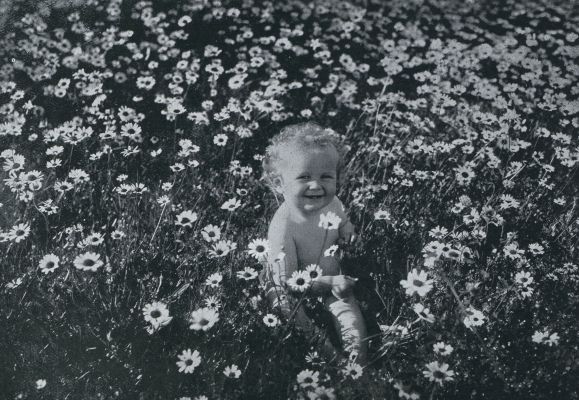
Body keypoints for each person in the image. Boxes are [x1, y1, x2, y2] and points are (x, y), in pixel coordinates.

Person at [260, 122, 367, 364]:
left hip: (332, 282)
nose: (316, 185)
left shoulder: (333, 203)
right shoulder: (283, 225)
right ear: (279, 183)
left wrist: (347, 232)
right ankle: (330, 356)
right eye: (304, 177)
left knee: (348, 311)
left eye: (326, 177)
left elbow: (343, 222)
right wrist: (327, 281)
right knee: (286, 310)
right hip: (293, 289)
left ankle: (357, 360)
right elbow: (286, 282)